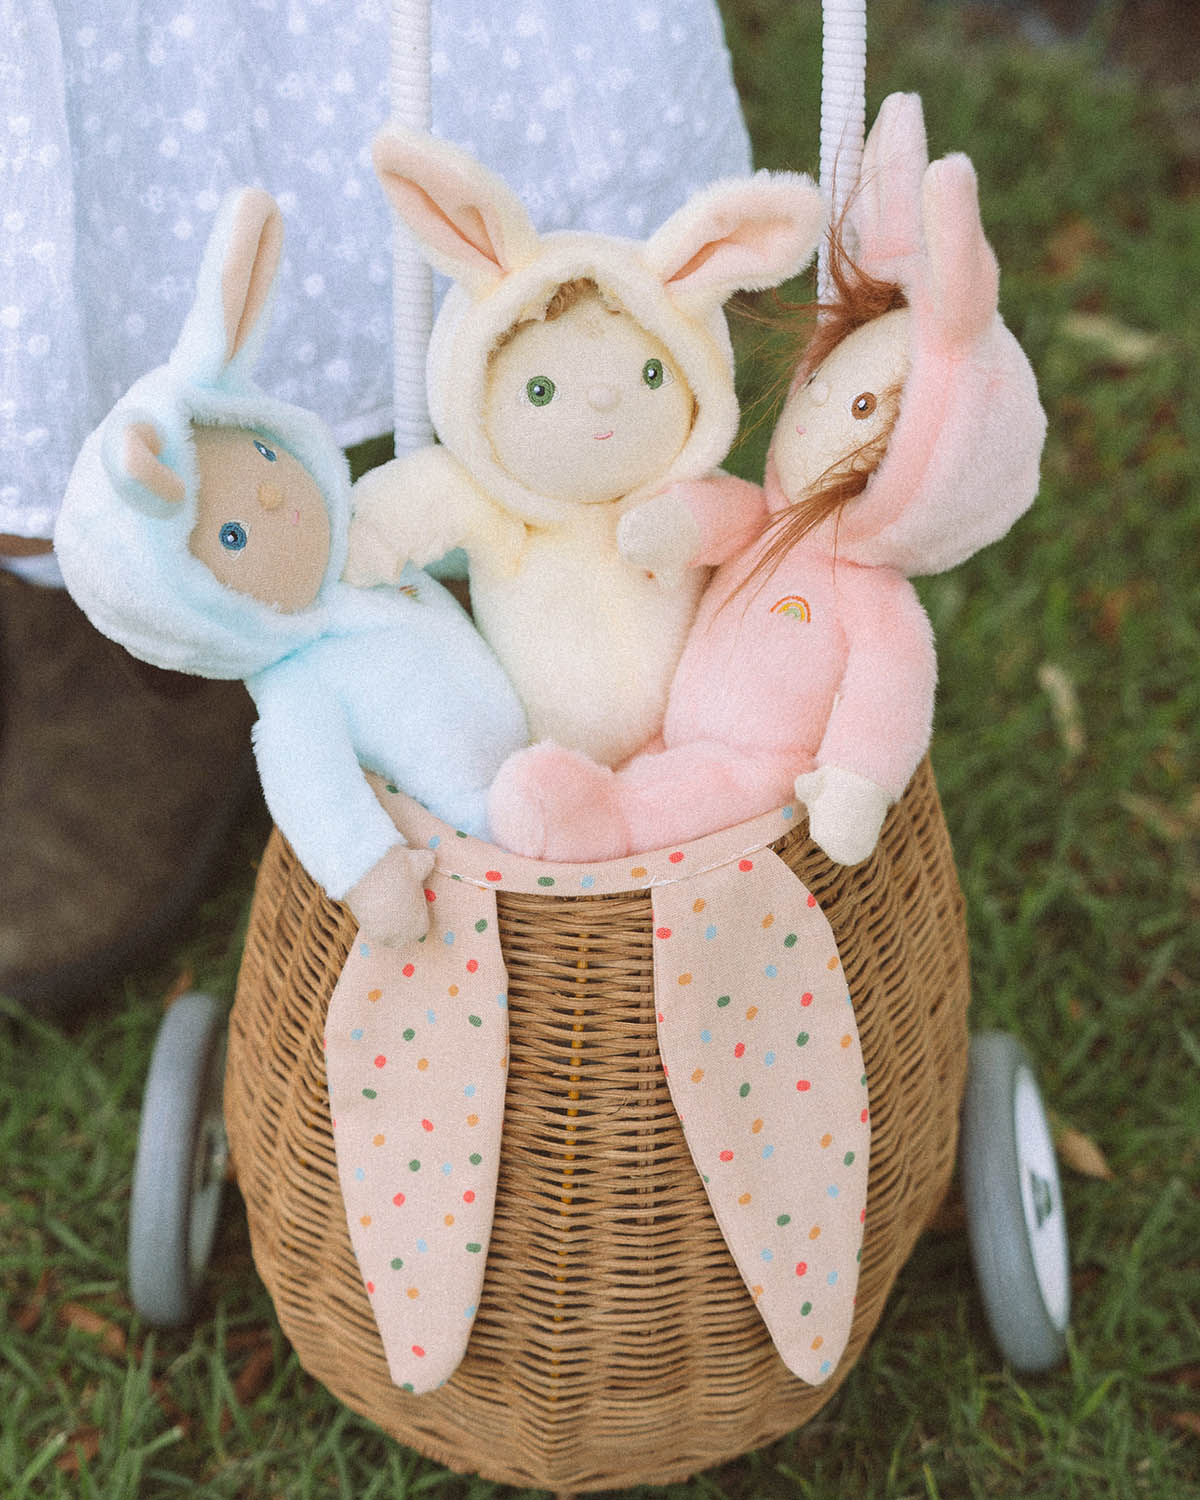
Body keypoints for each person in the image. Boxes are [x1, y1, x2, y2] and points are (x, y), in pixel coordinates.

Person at [0, 0, 752, 1013]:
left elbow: (449, 533)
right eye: (229, 533)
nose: (277, 500)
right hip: (485, 803)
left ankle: (680, 765)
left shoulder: (359, 547)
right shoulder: (299, 686)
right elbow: (316, 782)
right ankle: (63, 616)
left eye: (271, 461)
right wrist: (370, 873)